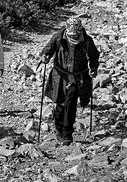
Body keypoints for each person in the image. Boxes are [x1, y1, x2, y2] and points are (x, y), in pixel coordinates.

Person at [39, 17, 100, 145]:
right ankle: (58, 129)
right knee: (60, 103)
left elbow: (94, 55)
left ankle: (67, 133)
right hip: (60, 75)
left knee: (71, 102)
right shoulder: (58, 37)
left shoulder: (87, 41)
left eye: (76, 35)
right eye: (72, 36)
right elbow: (47, 49)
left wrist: (93, 68)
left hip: (78, 77)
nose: (74, 38)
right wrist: (45, 56)